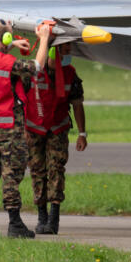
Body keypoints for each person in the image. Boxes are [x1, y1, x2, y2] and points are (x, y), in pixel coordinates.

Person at [0, 19, 51, 238]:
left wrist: (12, 43)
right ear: (4, 37)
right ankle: (15, 224)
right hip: (9, 128)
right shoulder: (8, 64)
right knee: (11, 175)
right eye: (10, 35)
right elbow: (37, 66)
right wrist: (43, 38)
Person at [25, 42, 87, 235]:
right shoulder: (32, 71)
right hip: (34, 129)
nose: (69, 54)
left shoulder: (70, 74)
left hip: (57, 128)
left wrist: (82, 133)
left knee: (56, 169)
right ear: (52, 51)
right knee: (37, 170)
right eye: (66, 50)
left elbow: (77, 104)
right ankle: (41, 216)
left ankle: (54, 218)